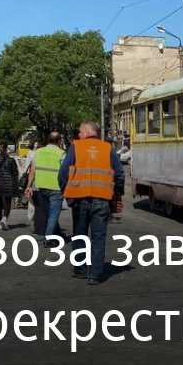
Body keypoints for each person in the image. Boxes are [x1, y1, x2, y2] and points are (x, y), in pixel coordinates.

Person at [60, 121, 124, 284]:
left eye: (80, 131)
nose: (79, 134)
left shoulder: (76, 147)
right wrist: (117, 194)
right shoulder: (108, 148)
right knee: (98, 238)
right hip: (102, 200)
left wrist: (66, 191)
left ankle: (80, 269)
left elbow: (63, 172)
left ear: (88, 132)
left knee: (79, 235)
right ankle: (95, 275)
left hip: (79, 199)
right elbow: (119, 175)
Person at [26, 132, 66, 245]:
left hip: (41, 186)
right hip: (56, 187)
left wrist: (29, 186)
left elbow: (32, 170)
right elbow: (64, 172)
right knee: (54, 214)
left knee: (49, 212)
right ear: (59, 141)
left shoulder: (39, 152)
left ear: (48, 140)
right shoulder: (61, 153)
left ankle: (56, 234)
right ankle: (48, 239)